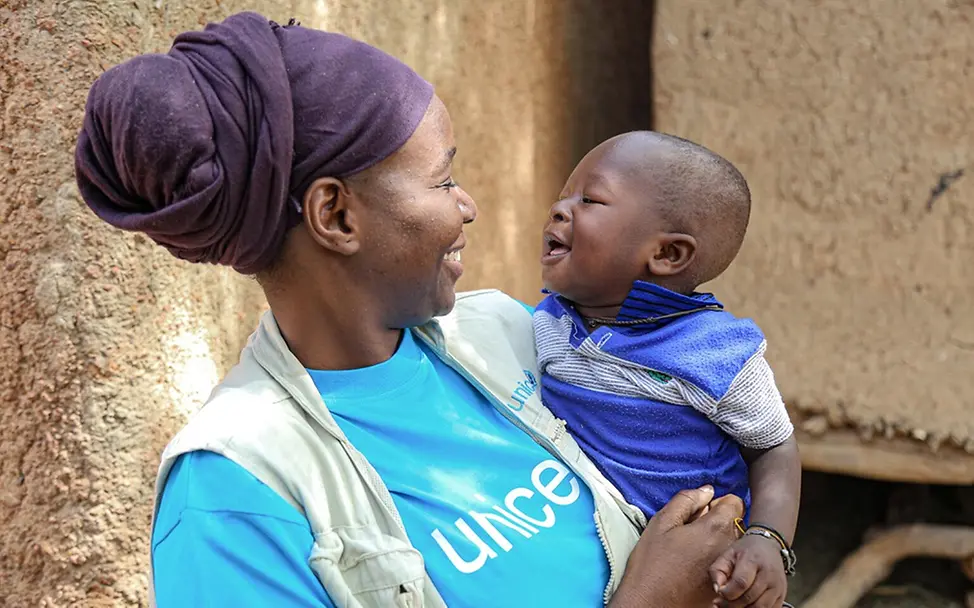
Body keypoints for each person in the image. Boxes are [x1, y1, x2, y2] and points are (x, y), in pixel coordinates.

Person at [75, 12, 745, 608]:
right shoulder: (235, 499)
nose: (467, 206)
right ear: (336, 215)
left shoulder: (512, 334)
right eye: (444, 179)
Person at [533, 131, 802, 608]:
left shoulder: (715, 355)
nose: (559, 210)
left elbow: (775, 447)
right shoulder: (547, 322)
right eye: (562, 198)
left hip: (709, 575)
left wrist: (767, 540)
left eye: (590, 200)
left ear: (667, 254)